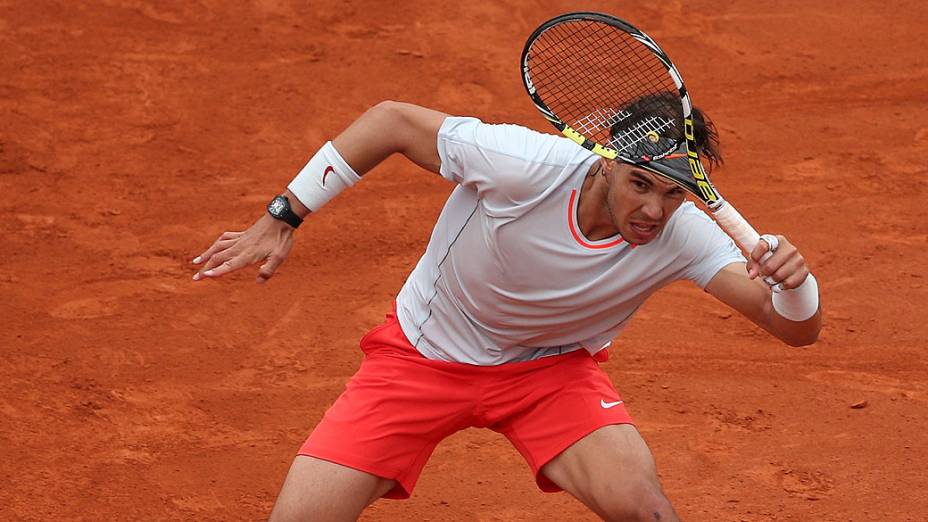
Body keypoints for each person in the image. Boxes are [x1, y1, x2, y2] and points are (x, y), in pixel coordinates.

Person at [192, 100, 821, 521]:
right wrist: (284, 215)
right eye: (640, 184)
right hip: (422, 358)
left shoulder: (681, 233)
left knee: (646, 511)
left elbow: (795, 330)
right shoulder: (523, 164)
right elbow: (390, 122)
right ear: (606, 159)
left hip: (548, 376)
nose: (654, 211)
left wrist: (795, 283)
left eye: (674, 194)